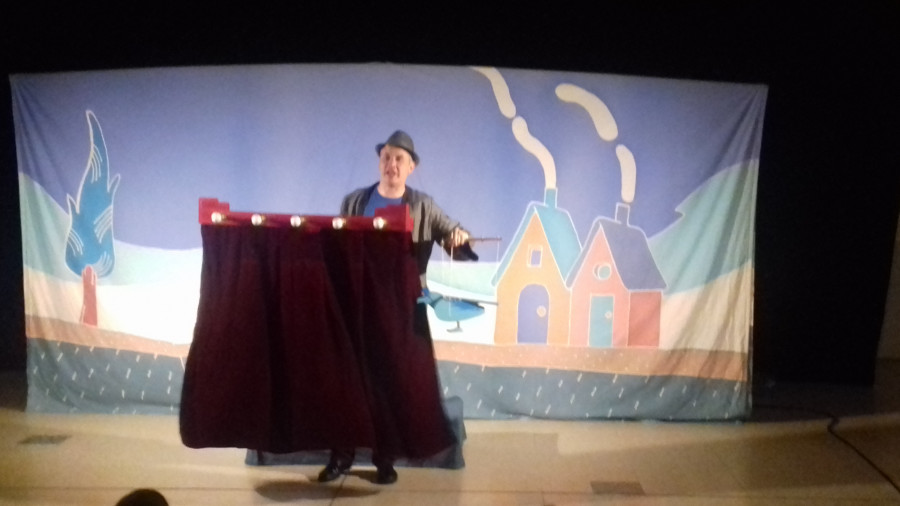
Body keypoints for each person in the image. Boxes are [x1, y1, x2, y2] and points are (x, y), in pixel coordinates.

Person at [318, 130, 470, 485]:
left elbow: (452, 234)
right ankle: (341, 457)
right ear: (379, 162)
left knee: (391, 383)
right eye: (386, 157)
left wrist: (458, 238)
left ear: (411, 167)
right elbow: (338, 245)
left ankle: (384, 459)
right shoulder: (355, 201)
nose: (392, 164)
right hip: (356, 303)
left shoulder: (423, 206)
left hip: (402, 308)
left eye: (399, 159)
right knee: (348, 382)